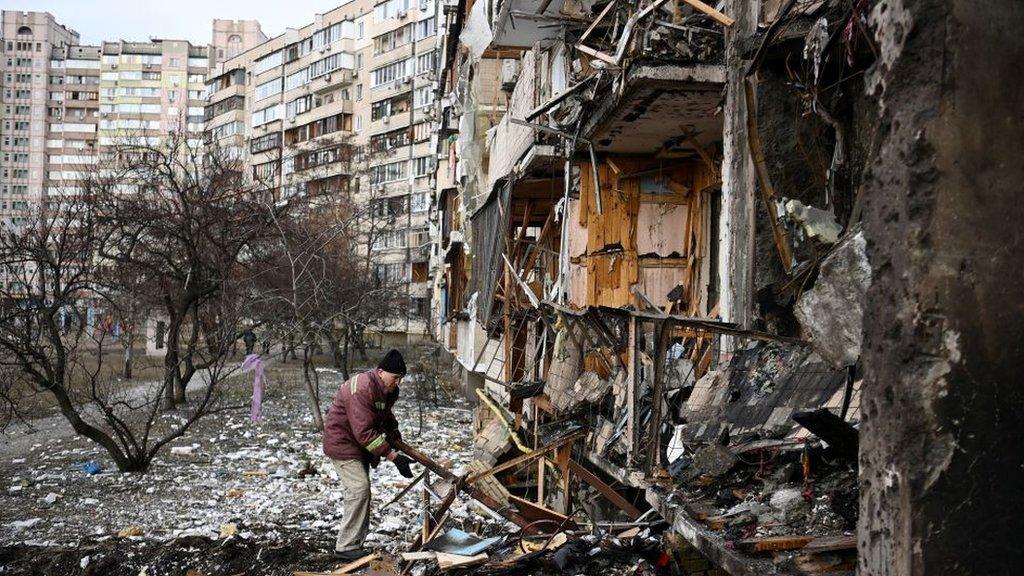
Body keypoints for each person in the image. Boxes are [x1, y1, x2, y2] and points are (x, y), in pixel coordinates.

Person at [323, 349, 416, 561]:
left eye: (401, 379)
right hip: (343, 444)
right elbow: (365, 433)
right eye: (395, 378)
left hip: (357, 446)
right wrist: (393, 457)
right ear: (381, 371)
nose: (398, 383)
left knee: (362, 492)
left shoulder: (383, 388)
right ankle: (346, 547)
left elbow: (382, 413)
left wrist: (394, 432)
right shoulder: (362, 388)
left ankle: (355, 543)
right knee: (359, 490)